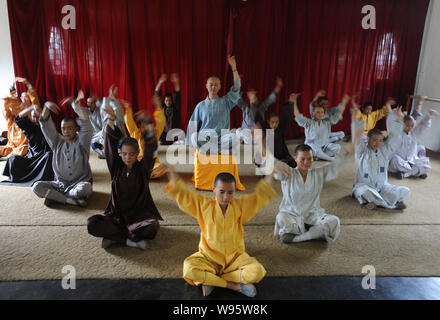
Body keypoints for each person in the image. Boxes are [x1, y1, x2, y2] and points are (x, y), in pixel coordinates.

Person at [164, 163, 288, 298]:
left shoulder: (239, 206)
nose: (225, 197)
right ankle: (232, 285)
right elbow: (183, 194)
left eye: (230, 192)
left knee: (257, 272)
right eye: (221, 191)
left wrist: (271, 173)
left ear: (235, 191)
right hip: (208, 258)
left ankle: (211, 280)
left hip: (234, 259)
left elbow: (259, 196)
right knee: (188, 269)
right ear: (214, 190)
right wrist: (171, 171)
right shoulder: (203, 205)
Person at [87, 104, 163, 250]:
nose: (128, 157)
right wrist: (110, 120)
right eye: (124, 154)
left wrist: (147, 125)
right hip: (117, 217)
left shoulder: (143, 169)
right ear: (120, 154)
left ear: (137, 154)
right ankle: (131, 241)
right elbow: (109, 145)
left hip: (139, 217)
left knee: (152, 227)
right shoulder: (116, 168)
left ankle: (115, 238)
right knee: (92, 223)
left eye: (132, 154)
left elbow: (151, 150)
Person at [271, 139, 355, 244]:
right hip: (291, 214)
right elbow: (268, 163)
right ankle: (312, 234)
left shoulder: (317, 173)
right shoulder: (288, 172)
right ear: (295, 159)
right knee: (281, 217)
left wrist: (347, 150)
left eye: (309, 159)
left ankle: (300, 236)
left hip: (313, 215)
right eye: (302, 159)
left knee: (334, 221)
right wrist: (273, 165)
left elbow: (335, 165)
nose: (306, 162)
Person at [32, 92, 93, 207]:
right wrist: (46, 107)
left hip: (79, 183)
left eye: (70, 128)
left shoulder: (82, 142)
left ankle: (56, 197)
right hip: (60, 185)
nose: (66, 131)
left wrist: (75, 105)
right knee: (36, 187)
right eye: (63, 128)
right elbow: (45, 124)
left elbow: (87, 124)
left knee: (85, 189)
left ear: (76, 129)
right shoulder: (56, 141)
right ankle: (70, 200)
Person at [352, 103, 410, 210]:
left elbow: (394, 137)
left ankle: (379, 202)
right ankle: (388, 204)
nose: (378, 143)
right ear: (368, 139)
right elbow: (357, 137)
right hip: (364, 186)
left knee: (404, 190)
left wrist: (399, 119)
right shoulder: (362, 151)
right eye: (374, 140)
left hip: (382, 187)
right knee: (365, 193)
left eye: (380, 140)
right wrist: (355, 117)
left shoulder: (384, 150)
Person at [186, 56, 241, 155]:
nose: (213, 87)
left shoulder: (226, 101)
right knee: (194, 136)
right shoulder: (200, 105)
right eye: (211, 84)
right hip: (206, 138)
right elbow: (192, 123)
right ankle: (215, 151)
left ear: (219, 87)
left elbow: (237, 87)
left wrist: (234, 68)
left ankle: (209, 151)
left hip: (222, 138)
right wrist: (189, 144)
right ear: (206, 86)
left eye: (216, 85)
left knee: (235, 137)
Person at [1, 104, 54, 186]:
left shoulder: (49, 127)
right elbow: (19, 118)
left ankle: (41, 180)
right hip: (30, 160)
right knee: (13, 158)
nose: (36, 119)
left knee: (50, 156)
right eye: (34, 117)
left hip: (43, 160)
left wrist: (46, 107)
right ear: (31, 118)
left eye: (38, 116)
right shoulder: (30, 128)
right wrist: (32, 107)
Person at [389, 96, 438, 179]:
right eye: (407, 125)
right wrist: (395, 115)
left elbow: (423, 126)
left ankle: (406, 173)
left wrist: (429, 116)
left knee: (425, 162)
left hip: (412, 160)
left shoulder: (414, 133)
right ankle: (416, 172)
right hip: (401, 160)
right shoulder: (398, 133)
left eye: (411, 126)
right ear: (403, 124)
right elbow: (391, 125)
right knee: (394, 160)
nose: (410, 127)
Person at [295, 93, 350, 161]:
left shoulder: (327, 122)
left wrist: (344, 102)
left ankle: (319, 157)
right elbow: (298, 116)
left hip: (324, 146)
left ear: (324, 113)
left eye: (322, 112)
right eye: (318, 112)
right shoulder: (309, 122)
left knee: (337, 147)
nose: (320, 114)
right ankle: (331, 159)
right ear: (313, 113)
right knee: (314, 147)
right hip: (312, 147)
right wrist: (294, 102)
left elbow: (338, 114)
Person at [123, 96, 167, 179]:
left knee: (162, 167)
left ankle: (145, 174)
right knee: (128, 165)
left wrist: (158, 107)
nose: (144, 128)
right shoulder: (136, 133)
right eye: (143, 127)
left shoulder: (154, 134)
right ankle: (145, 174)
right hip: (138, 161)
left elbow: (161, 123)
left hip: (152, 163)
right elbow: (129, 123)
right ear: (140, 127)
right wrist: (128, 109)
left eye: (147, 126)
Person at [253, 93, 299, 169]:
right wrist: (253, 101)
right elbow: (257, 117)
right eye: (272, 122)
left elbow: (287, 117)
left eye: (277, 122)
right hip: (267, 154)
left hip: (281, 154)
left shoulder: (281, 128)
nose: (275, 124)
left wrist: (291, 102)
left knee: (294, 165)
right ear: (268, 121)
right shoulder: (265, 127)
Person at [235, 77, 283, 145]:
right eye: (252, 98)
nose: (253, 100)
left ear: (257, 100)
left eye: (255, 97)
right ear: (249, 100)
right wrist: (238, 83)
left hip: (257, 136)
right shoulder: (246, 107)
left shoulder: (261, 107)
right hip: (246, 133)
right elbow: (237, 99)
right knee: (239, 131)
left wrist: (278, 87)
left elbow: (270, 99)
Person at [1, 77, 40, 160]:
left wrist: (27, 83)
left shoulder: (32, 112)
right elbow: (6, 107)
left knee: (24, 148)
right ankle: (9, 155)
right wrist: (11, 92)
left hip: (23, 147)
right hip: (11, 146)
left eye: (26, 97)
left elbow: (34, 98)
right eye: (21, 97)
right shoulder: (12, 118)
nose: (23, 99)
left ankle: (8, 157)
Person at [154, 73, 182, 145]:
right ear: (164, 101)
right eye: (166, 100)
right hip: (165, 134)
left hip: (174, 133)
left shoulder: (175, 108)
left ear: (172, 101)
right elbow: (157, 93)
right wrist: (160, 82)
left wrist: (176, 82)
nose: (168, 102)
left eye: (169, 100)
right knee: (161, 141)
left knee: (178, 139)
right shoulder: (162, 108)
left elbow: (177, 94)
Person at [85, 94, 105, 158]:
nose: (90, 104)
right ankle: (102, 153)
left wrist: (98, 99)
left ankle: (107, 151)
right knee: (93, 145)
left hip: (102, 134)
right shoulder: (85, 111)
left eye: (92, 103)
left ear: (95, 103)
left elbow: (103, 105)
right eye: (88, 103)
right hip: (93, 136)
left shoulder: (100, 110)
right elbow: (77, 109)